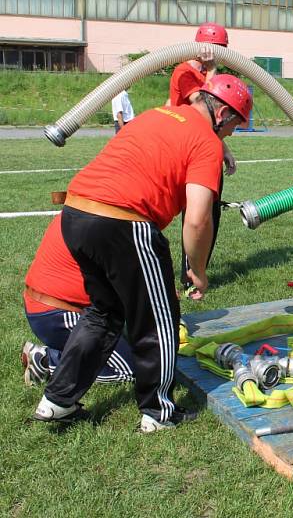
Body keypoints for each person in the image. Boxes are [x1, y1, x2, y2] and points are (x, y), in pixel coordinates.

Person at [33, 74, 252, 431]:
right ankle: (158, 411)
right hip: (123, 221)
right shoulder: (205, 141)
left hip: (76, 212)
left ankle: (57, 401)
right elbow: (197, 219)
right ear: (223, 115)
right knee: (159, 320)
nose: (230, 136)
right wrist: (197, 268)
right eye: (234, 128)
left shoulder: (155, 115)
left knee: (103, 314)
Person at [21, 213, 135, 386]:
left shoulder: (80, 211)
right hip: (59, 313)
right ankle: (46, 360)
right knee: (130, 371)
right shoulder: (106, 222)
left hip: (48, 306)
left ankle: (61, 353)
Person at [169, 22, 238, 300]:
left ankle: (197, 272)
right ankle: (191, 278)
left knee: (211, 213)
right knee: (197, 215)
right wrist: (211, 71)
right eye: (219, 51)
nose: (220, 56)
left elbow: (213, 124)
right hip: (188, 150)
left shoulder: (199, 72)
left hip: (204, 146)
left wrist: (225, 151)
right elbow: (206, 106)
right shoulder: (186, 72)